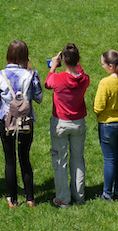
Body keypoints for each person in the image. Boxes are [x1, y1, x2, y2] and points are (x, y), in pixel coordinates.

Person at [0, 40, 42, 207]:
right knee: (25, 158)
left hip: (6, 121)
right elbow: (39, 98)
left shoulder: (0, 75)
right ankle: (30, 198)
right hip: (26, 121)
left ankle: (13, 199)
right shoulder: (32, 75)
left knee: (9, 160)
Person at [44, 43, 90, 208]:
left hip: (60, 124)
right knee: (78, 159)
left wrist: (53, 66)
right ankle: (79, 195)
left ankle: (63, 198)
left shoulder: (57, 78)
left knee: (60, 161)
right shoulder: (84, 79)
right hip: (78, 123)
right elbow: (80, 71)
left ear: (63, 60)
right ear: (78, 61)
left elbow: (47, 83)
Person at [94, 49, 118, 201]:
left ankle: (107, 193)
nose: (102, 66)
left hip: (108, 125)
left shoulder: (106, 83)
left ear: (110, 66)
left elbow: (98, 107)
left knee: (109, 159)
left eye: (103, 64)